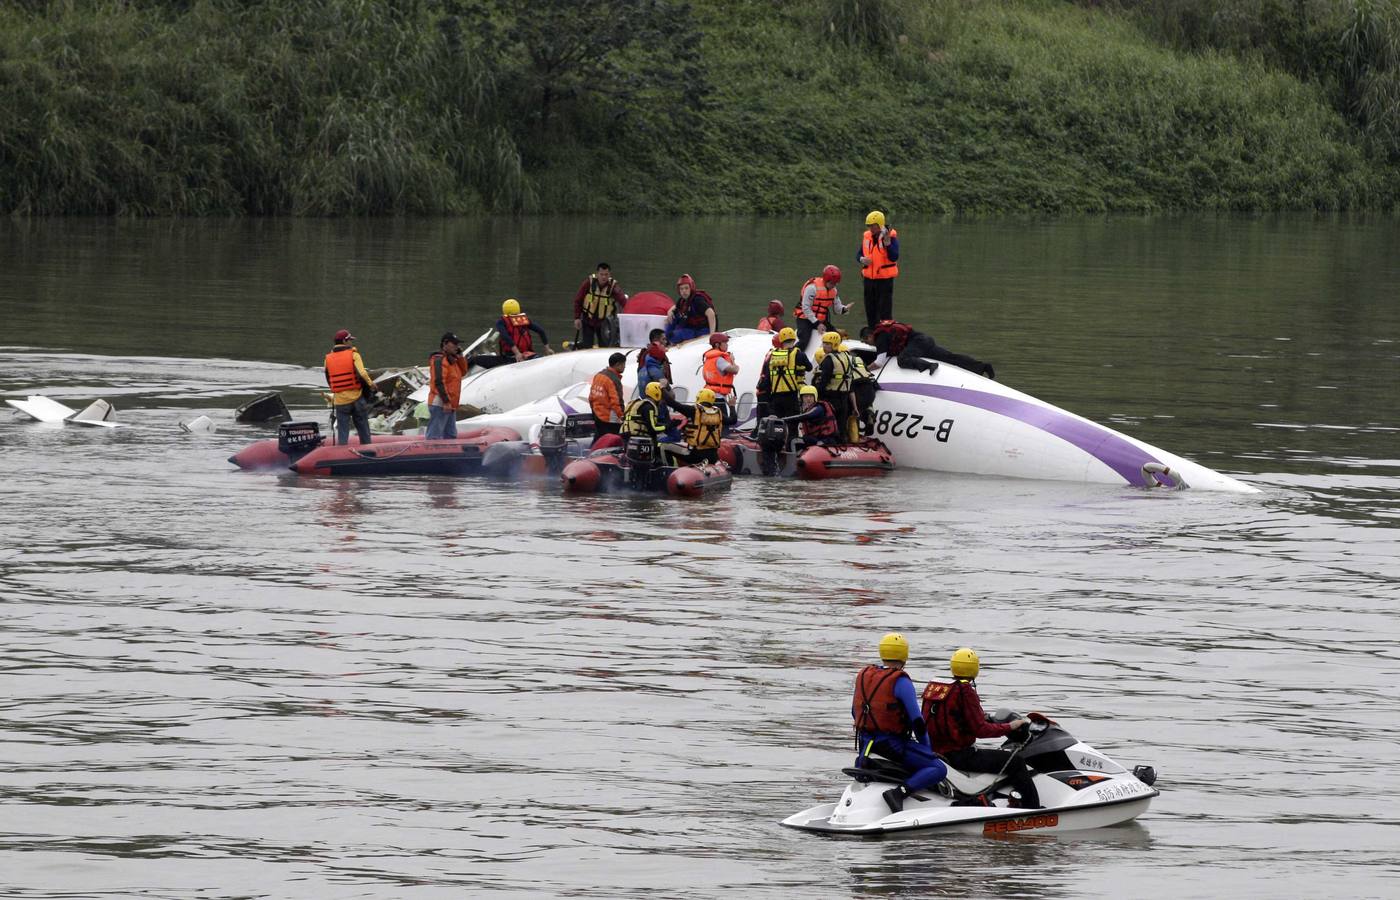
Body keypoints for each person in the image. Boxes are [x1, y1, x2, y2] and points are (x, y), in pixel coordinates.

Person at [924, 647, 1040, 809]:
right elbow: (981, 730)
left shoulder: (938, 689)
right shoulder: (965, 691)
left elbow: (952, 717)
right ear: (974, 669)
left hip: (937, 752)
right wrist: (1010, 726)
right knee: (1016, 762)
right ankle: (1032, 808)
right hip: (961, 755)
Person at [852, 632, 948, 815]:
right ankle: (899, 793)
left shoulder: (864, 675)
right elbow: (918, 722)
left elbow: (854, 711)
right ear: (904, 655)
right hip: (891, 745)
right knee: (938, 768)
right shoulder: (901, 681)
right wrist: (926, 748)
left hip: (866, 745)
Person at [862, 319, 994, 379]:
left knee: (903, 360)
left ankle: (929, 365)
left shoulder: (880, 338)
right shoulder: (884, 331)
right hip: (924, 340)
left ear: (870, 335)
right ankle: (982, 367)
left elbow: (879, 362)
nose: (868, 344)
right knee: (950, 358)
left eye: (866, 341)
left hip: (917, 342)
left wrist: (864, 370)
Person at [324, 329, 382, 445]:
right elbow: (362, 373)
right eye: (350, 340)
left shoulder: (327, 359)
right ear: (345, 341)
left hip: (340, 401)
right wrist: (372, 384)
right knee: (363, 428)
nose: (351, 342)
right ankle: (367, 451)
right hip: (356, 398)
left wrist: (336, 390)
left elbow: (328, 377)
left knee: (343, 431)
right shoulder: (354, 355)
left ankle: (342, 454)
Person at [622, 381, 669, 488]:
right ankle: (664, 473)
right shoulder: (649, 407)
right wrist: (668, 427)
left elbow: (648, 423)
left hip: (628, 436)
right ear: (657, 393)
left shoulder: (640, 403)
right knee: (662, 446)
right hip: (641, 438)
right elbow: (653, 428)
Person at [858, 211, 900, 330]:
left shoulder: (890, 237)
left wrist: (888, 244)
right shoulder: (867, 237)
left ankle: (886, 336)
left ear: (880, 224)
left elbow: (894, 256)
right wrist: (862, 259)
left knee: (884, 311)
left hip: (884, 281)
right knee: (870, 309)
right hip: (869, 280)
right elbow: (858, 254)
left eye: (872, 225)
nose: (870, 228)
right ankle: (873, 334)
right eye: (869, 226)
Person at [795, 265, 850, 351]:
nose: (833, 285)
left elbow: (837, 308)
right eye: (832, 283)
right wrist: (817, 324)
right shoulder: (812, 288)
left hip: (821, 320)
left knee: (836, 336)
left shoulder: (834, 291)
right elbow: (805, 308)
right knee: (804, 340)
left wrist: (844, 309)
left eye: (835, 283)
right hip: (805, 318)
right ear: (825, 279)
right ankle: (792, 355)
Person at [426, 332, 470, 440]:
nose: (457, 346)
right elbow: (439, 382)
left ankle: (450, 454)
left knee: (451, 435)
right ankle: (432, 454)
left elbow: (463, 372)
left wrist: (460, 357)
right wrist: (446, 402)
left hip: (450, 404)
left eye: (458, 344)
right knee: (434, 436)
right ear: (445, 344)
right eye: (454, 344)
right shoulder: (439, 360)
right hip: (441, 403)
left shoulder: (452, 361)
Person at [573, 262, 627, 349]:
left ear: (609, 274)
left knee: (604, 347)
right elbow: (578, 300)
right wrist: (577, 318)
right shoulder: (588, 283)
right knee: (587, 346)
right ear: (597, 274)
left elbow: (623, 301)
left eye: (606, 274)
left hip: (604, 323)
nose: (604, 277)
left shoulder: (613, 287)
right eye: (601, 274)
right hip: (588, 320)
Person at [812, 331, 855, 440]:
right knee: (841, 423)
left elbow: (824, 380)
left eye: (828, 344)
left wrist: (816, 395)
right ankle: (842, 443)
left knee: (829, 422)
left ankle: (830, 443)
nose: (825, 346)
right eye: (824, 343)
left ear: (835, 344)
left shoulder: (829, 359)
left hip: (831, 396)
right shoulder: (847, 357)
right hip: (844, 396)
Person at [668, 387, 725, 464]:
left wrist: (662, 389)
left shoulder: (693, 410)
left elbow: (673, 404)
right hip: (713, 456)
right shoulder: (718, 413)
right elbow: (733, 420)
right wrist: (732, 406)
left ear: (699, 398)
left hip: (695, 455)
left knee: (664, 447)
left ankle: (670, 471)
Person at [766, 326, 811, 419]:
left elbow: (767, 375)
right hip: (791, 394)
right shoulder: (799, 354)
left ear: (781, 340)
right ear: (794, 339)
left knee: (778, 424)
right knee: (793, 421)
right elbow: (809, 368)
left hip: (776, 395)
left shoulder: (772, 354)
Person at [701, 332, 740, 431]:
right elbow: (735, 370)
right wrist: (733, 361)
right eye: (725, 342)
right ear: (717, 344)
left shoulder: (710, 358)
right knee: (723, 426)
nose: (727, 345)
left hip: (711, 395)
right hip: (717, 398)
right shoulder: (719, 359)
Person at [664, 273, 716, 344]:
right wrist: (670, 311)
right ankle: (667, 340)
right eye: (681, 289)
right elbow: (676, 307)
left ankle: (686, 341)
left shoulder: (697, 300)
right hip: (691, 328)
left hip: (701, 330)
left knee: (674, 335)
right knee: (670, 323)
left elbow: (711, 313)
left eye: (686, 288)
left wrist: (712, 335)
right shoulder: (682, 300)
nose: (684, 291)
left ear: (691, 288)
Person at [589, 352, 627, 441]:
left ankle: (591, 454)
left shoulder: (598, 375)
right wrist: (622, 416)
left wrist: (593, 411)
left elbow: (591, 397)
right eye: (623, 364)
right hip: (609, 418)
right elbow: (616, 401)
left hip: (596, 414)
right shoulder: (613, 380)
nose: (624, 367)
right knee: (612, 441)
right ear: (618, 364)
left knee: (598, 440)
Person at [847, 344, 878, 440]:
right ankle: (869, 414)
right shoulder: (859, 361)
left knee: (851, 416)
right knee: (867, 404)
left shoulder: (842, 363)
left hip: (858, 391)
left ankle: (853, 441)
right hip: (869, 390)